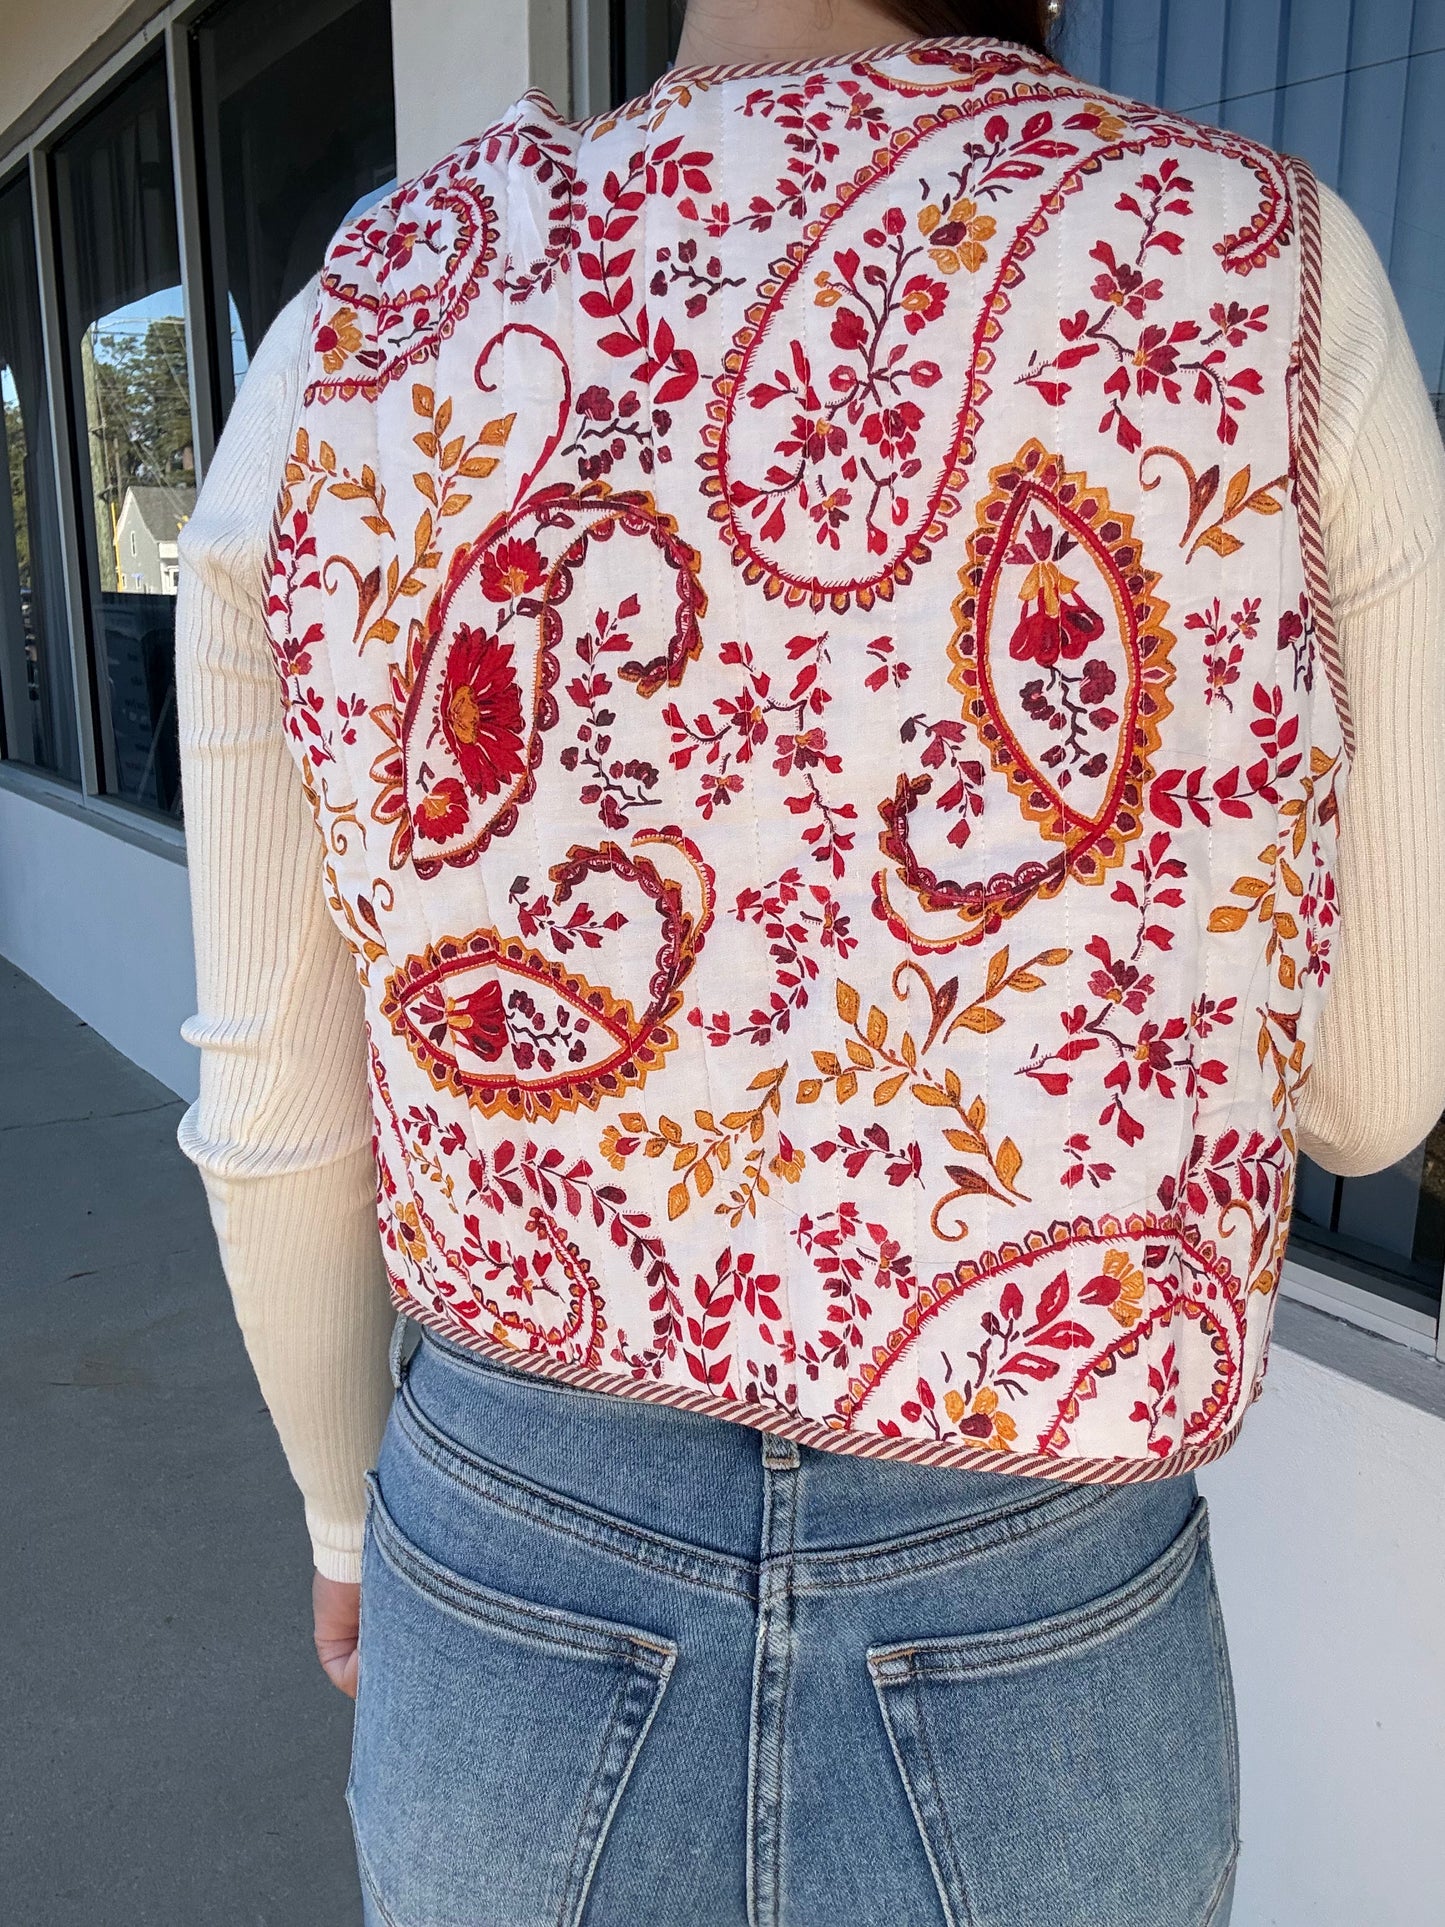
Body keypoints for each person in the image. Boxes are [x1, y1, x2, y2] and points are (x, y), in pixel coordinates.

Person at [174, 1, 1445, 1920]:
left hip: (511, 1550)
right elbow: (1373, 1087)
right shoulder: (1251, 261)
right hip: (1037, 1588)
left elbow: (277, 1101)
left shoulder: (372, 317)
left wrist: (343, 1511)